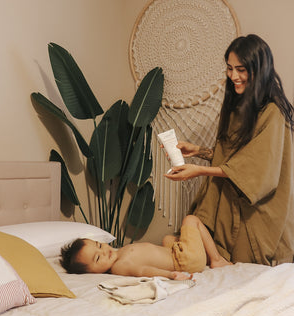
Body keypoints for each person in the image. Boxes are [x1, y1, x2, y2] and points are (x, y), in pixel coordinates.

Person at [165, 34, 294, 266]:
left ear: (259, 70)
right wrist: (199, 151)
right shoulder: (239, 106)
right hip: (233, 203)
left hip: (258, 210)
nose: (234, 76)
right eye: (229, 68)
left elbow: (257, 170)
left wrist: (199, 171)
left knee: (243, 266)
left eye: (241, 69)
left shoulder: (273, 113)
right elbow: (235, 155)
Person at [60, 214, 231, 280]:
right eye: (98, 258)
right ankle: (216, 260)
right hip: (184, 261)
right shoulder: (120, 266)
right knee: (191, 220)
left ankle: (204, 256)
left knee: (168, 238)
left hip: (176, 254)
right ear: (93, 273)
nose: (104, 251)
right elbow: (143, 271)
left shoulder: (118, 254)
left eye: (99, 245)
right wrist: (171, 275)